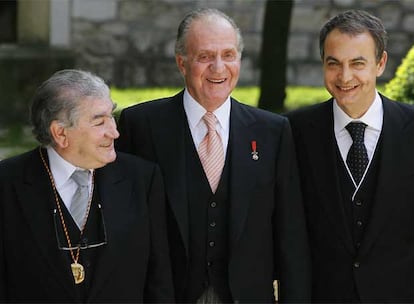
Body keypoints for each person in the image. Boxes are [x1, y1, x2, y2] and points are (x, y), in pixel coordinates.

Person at [116, 7, 310, 303]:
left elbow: (290, 236)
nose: (219, 68)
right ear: (182, 63)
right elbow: (124, 228)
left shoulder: (273, 132)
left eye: (229, 55)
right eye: (205, 56)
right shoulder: (141, 126)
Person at [0, 69, 174, 303]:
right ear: (60, 133)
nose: (114, 132)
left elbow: (159, 281)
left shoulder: (142, 179)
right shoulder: (7, 183)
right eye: (99, 122)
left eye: (111, 116)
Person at [286, 9, 414, 302]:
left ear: (380, 63)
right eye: (334, 64)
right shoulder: (294, 132)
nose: (345, 77)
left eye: (357, 63)